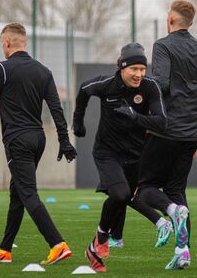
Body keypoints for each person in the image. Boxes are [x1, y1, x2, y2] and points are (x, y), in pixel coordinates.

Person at [0, 23, 77, 265]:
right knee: (17, 192)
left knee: (27, 193)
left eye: (2, 44)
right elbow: (57, 109)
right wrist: (64, 141)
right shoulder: (43, 71)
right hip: (38, 140)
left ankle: (57, 244)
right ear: (23, 42)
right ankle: (5, 249)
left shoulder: (3, 69)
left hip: (17, 141)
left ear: (6, 43)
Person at [73, 43, 170, 272]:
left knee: (127, 196)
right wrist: (77, 123)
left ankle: (97, 246)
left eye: (142, 69)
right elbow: (84, 90)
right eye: (134, 69)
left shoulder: (150, 87)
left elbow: (162, 122)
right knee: (120, 193)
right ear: (122, 68)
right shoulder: (106, 84)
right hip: (107, 152)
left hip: (135, 155)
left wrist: (135, 117)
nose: (139, 74)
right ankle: (101, 237)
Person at [134, 0, 197, 270]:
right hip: (191, 133)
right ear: (190, 23)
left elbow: (162, 85)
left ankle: (171, 212)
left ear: (170, 20)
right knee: (176, 189)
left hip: (165, 131)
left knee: (143, 190)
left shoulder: (163, 46)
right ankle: (184, 251)